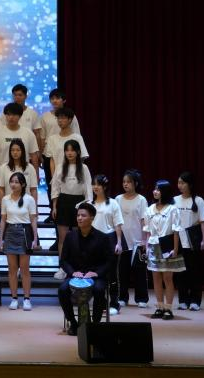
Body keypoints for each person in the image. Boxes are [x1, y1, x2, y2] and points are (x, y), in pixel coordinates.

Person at [58, 203, 113, 336]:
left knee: (99, 289)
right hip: (75, 275)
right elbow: (63, 260)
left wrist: (96, 273)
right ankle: (73, 323)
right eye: (78, 215)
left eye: (83, 215)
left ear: (92, 218)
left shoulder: (103, 237)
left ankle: (95, 324)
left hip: (95, 275)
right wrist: (72, 272)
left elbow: (109, 261)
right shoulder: (70, 236)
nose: (79, 218)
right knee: (62, 290)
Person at [145, 180, 185, 320]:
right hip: (153, 245)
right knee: (156, 277)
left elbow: (176, 231)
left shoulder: (172, 209)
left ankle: (168, 308)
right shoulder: (150, 209)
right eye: (155, 189)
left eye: (158, 189)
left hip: (167, 245)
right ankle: (159, 307)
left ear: (165, 192)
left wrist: (175, 249)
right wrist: (146, 247)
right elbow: (148, 231)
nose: (155, 191)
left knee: (167, 278)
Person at [0, 171, 40, 310]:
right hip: (10, 232)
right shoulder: (5, 199)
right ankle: (14, 298)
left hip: (24, 232)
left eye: (16, 182)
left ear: (22, 184)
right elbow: (3, 220)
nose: (13, 184)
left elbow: (33, 220)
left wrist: (35, 239)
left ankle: (27, 299)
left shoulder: (29, 199)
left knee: (24, 269)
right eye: (12, 181)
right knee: (12, 269)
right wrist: (1, 239)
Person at [51, 139, 91, 277]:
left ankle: (77, 267)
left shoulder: (84, 168)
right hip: (63, 202)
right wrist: (54, 206)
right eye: (67, 150)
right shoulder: (60, 167)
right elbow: (55, 188)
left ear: (78, 152)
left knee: (77, 238)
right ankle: (62, 268)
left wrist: (87, 207)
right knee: (62, 238)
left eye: (72, 150)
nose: (69, 153)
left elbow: (88, 189)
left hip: (79, 203)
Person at [89, 175, 124, 316]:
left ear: (104, 186)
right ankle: (101, 303)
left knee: (112, 274)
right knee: (96, 273)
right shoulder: (90, 204)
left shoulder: (113, 203)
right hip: (94, 240)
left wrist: (119, 243)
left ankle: (114, 303)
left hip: (110, 239)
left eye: (98, 184)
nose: (95, 187)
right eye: (93, 184)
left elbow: (118, 224)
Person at [174, 171, 204, 311]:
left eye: (182, 183)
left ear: (189, 184)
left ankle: (195, 301)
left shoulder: (198, 200)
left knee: (194, 272)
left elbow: (203, 222)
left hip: (193, 241)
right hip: (178, 241)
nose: (180, 185)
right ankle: (183, 300)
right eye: (179, 182)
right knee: (181, 272)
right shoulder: (175, 200)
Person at [115, 170, 150, 309]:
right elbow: (115, 220)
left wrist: (145, 241)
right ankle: (122, 297)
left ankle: (142, 298)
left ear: (135, 183)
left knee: (139, 272)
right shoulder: (118, 199)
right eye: (124, 182)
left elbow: (144, 221)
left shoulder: (141, 200)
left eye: (128, 182)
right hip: (123, 241)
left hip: (138, 242)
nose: (125, 184)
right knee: (122, 271)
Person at [0, 104, 39, 195]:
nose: (11, 117)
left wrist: (36, 175)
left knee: (24, 201)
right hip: (3, 174)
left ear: (20, 116)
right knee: (4, 202)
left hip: (24, 173)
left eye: (14, 115)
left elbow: (34, 156)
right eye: (8, 114)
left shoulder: (28, 133)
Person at [0, 139, 39, 215]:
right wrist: (2, 208)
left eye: (18, 150)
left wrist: (35, 208)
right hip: (9, 207)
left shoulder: (30, 168)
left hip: (26, 207)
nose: (15, 152)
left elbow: (33, 190)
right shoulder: (3, 168)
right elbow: (1, 190)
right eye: (12, 150)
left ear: (22, 151)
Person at [46, 106, 89, 180]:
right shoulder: (52, 139)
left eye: (63, 118)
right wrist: (54, 177)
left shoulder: (77, 138)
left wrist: (76, 174)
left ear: (70, 120)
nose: (60, 120)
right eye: (58, 118)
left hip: (74, 177)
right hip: (58, 176)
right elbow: (52, 160)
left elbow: (81, 157)